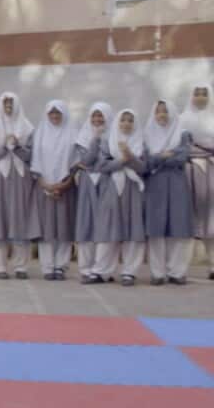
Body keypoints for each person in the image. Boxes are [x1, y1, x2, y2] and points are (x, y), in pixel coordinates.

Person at [86, 109, 147, 286]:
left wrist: (131, 156)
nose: (126, 124)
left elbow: (144, 168)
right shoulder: (108, 142)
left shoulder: (141, 142)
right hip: (112, 188)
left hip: (133, 189)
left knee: (133, 229)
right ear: (117, 123)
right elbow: (101, 165)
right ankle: (101, 271)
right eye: (123, 120)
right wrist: (123, 160)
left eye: (130, 121)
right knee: (108, 229)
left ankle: (129, 272)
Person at [0, 92, 40, 279]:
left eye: (11, 105)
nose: (8, 108)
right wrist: (3, 147)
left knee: (20, 218)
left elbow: (30, 156)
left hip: (21, 177)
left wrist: (16, 146)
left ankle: (20, 266)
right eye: (5, 105)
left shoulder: (28, 129)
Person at [143, 99, 194, 285]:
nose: (162, 115)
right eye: (158, 112)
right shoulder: (147, 134)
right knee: (156, 229)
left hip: (176, 183)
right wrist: (162, 156)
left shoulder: (182, 134)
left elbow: (181, 158)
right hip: (155, 184)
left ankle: (177, 272)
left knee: (178, 227)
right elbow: (145, 162)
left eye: (165, 111)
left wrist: (159, 158)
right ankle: (157, 273)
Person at [31, 100, 78, 280]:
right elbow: (35, 160)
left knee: (64, 227)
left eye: (58, 113)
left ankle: (61, 266)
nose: (55, 116)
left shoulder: (72, 133)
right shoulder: (40, 133)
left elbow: (76, 161)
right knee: (47, 228)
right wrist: (45, 183)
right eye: (51, 113)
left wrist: (64, 183)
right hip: (44, 187)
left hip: (66, 186)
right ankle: (48, 266)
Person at [73, 103, 112, 281]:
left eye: (101, 116)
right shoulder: (82, 137)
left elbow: (109, 160)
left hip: (106, 181)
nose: (97, 120)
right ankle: (85, 268)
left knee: (105, 225)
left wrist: (95, 157)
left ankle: (102, 269)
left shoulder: (114, 136)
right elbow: (87, 160)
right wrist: (96, 139)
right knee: (86, 224)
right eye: (94, 117)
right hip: (88, 182)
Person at [179, 83, 213, 278]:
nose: (200, 97)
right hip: (189, 172)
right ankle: (180, 269)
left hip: (211, 173)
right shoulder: (183, 120)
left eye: (204, 94)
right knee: (187, 221)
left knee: (211, 221)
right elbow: (181, 146)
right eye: (197, 93)